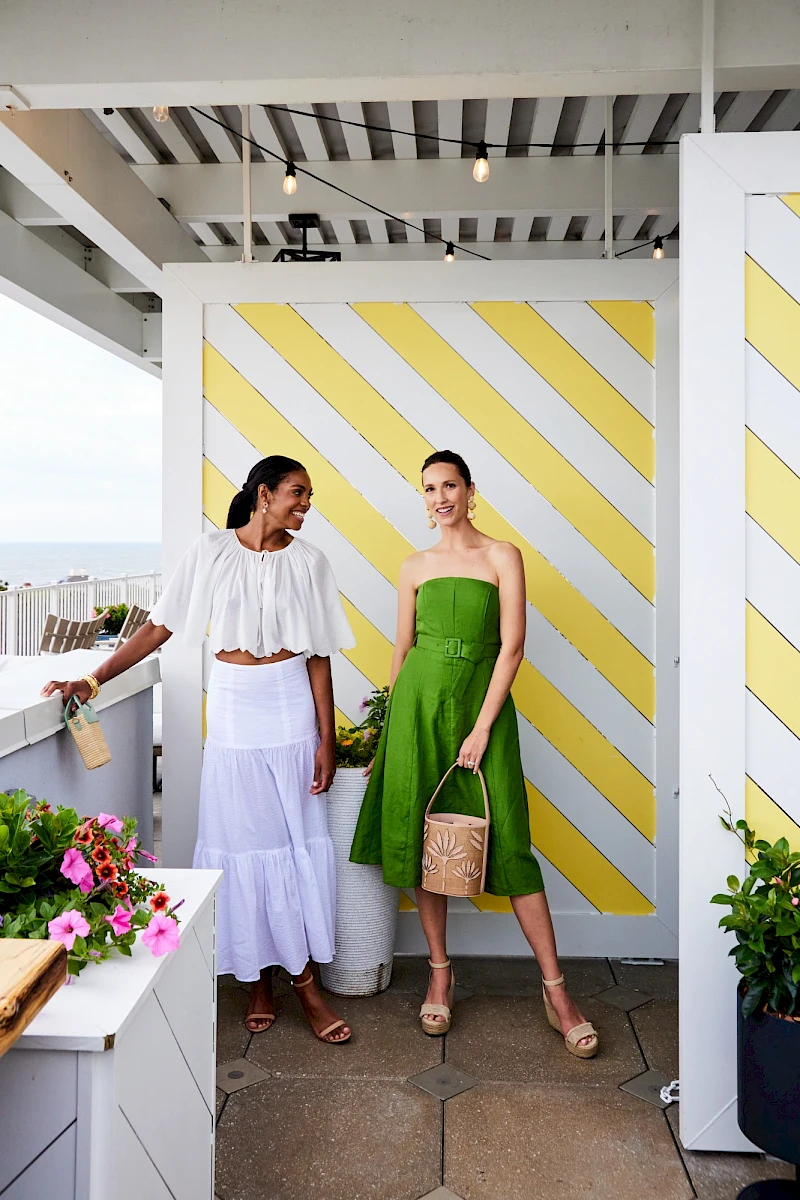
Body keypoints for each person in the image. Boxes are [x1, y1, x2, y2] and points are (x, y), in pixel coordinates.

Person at [42, 455, 356, 1044]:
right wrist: (94, 678)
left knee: (290, 846)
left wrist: (326, 739)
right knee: (242, 843)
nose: (306, 505)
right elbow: (159, 626)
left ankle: (304, 981)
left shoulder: (311, 562)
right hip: (237, 711)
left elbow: (319, 657)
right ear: (264, 495)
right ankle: (258, 980)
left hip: (290, 710)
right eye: (297, 493)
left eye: (309, 495)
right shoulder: (210, 551)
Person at [350, 450, 598, 1058]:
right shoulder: (413, 565)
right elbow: (402, 649)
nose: (440, 498)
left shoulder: (501, 556)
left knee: (509, 838)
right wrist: (387, 730)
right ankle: (440, 970)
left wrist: (483, 727)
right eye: (429, 488)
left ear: (470, 490)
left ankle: (557, 992)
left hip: (481, 713)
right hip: (416, 714)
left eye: (450, 485)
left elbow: (512, 647)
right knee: (423, 835)